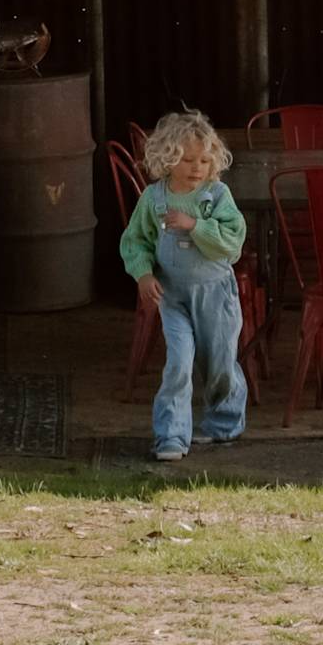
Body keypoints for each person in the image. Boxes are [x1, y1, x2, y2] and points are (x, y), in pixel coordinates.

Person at [120, 108, 249, 465]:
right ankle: (171, 435)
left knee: (219, 361)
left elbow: (232, 244)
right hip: (172, 297)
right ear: (168, 159)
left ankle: (224, 422)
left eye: (205, 160)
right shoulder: (154, 199)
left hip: (215, 294)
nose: (197, 168)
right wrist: (144, 274)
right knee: (178, 361)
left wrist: (195, 225)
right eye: (188, 159)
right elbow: (135, 242)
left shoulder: (217, 196)